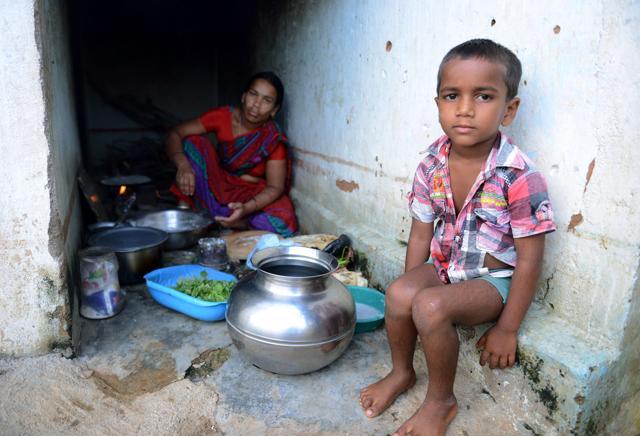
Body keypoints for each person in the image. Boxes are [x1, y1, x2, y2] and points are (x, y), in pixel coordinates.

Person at [359, 39, 556, 435]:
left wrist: (507, 328)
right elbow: (420, 235)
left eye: (483, 96)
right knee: (399, 294)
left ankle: (441, 401)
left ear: (509, 110)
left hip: (492, 281)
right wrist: (408, 290)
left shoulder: (519, 176)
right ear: (439, 104)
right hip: (446, 267)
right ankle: (402, 372)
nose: (465, 108)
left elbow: (531, 260)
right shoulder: (431, 163)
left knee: (431, 307)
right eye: (453, 96)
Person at [165, 72, 298, 237]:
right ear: (243, 96)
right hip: (217, 187)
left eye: (266, 100)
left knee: (285, 218)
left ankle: (237, 221)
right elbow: (176, 134)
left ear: (274, 110)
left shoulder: (273, 139)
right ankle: (203, 213)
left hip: (251, 196)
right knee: (194, 142)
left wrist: (246, 208)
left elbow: (275, 187)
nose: (256, 104)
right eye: (253, 94)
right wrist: (183, 165)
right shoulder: (222, 117)